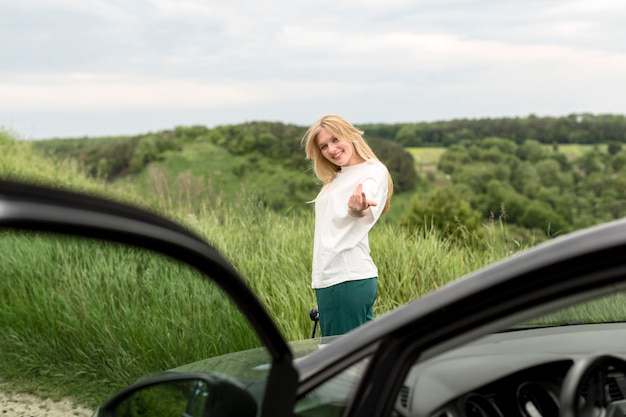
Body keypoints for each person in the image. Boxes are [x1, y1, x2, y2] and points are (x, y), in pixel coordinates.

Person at [302, 114, 393, 337]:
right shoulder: (339, 176)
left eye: (335, 140)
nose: (331, 150)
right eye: (323, 146)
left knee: (342, 359)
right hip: (334, 279)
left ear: (349, 135)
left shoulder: (372, 172)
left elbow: (362, 207)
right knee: (359, 356)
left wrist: (357, 207)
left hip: (346, 277)